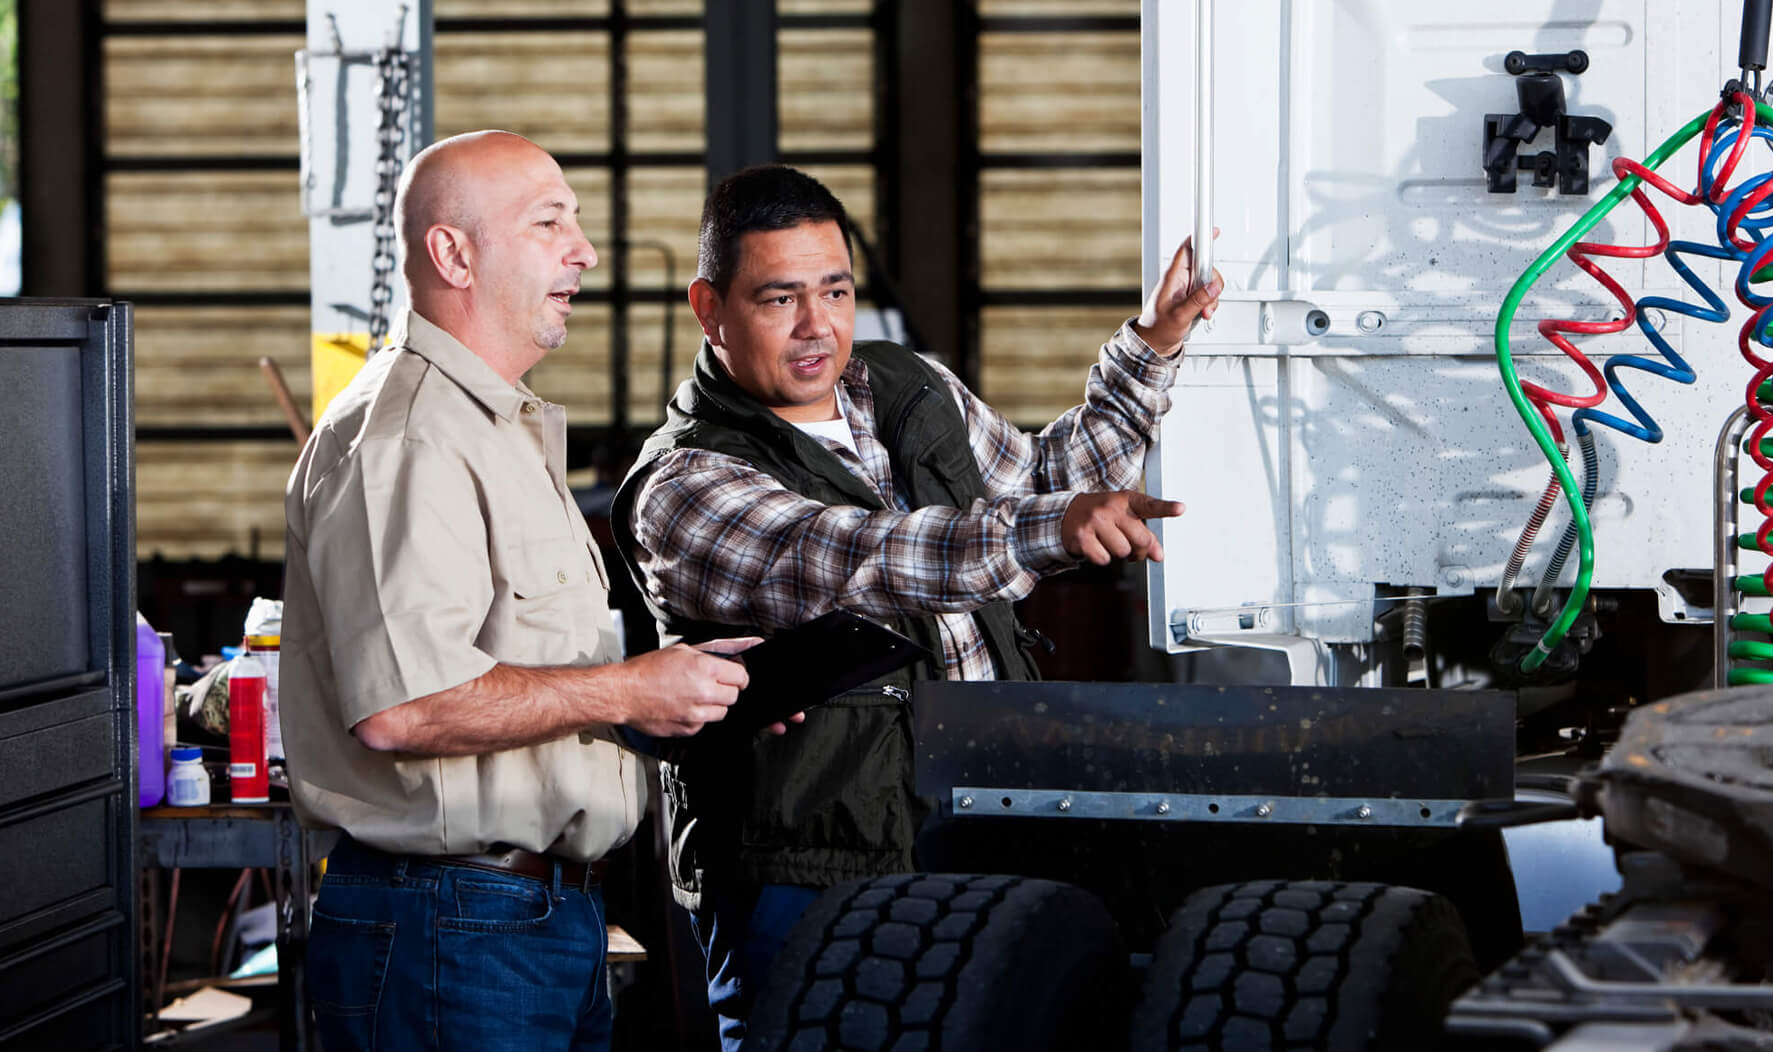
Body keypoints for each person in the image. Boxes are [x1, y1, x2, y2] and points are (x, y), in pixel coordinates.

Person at [608, 164, 1220, 1046]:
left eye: (836, 290)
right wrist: (1043, 530)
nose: (818, 326)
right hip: (805, 870)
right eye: (780, 299)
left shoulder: (902, 386)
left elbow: (1042, 480)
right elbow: (862, 558)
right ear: (710, 309)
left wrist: (1149, 349)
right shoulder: (685, 483)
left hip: (977, 830)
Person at [281, 130, 756, 1052]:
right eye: (548, 223)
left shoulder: (496, 429)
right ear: (452, 253)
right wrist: (627, 689)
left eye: (575, 222)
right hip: (450, 928)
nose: (582, 249)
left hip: (526, 921)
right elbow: (404, 708)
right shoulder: (409, 441)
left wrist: (678, 697)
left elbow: (521, 680)